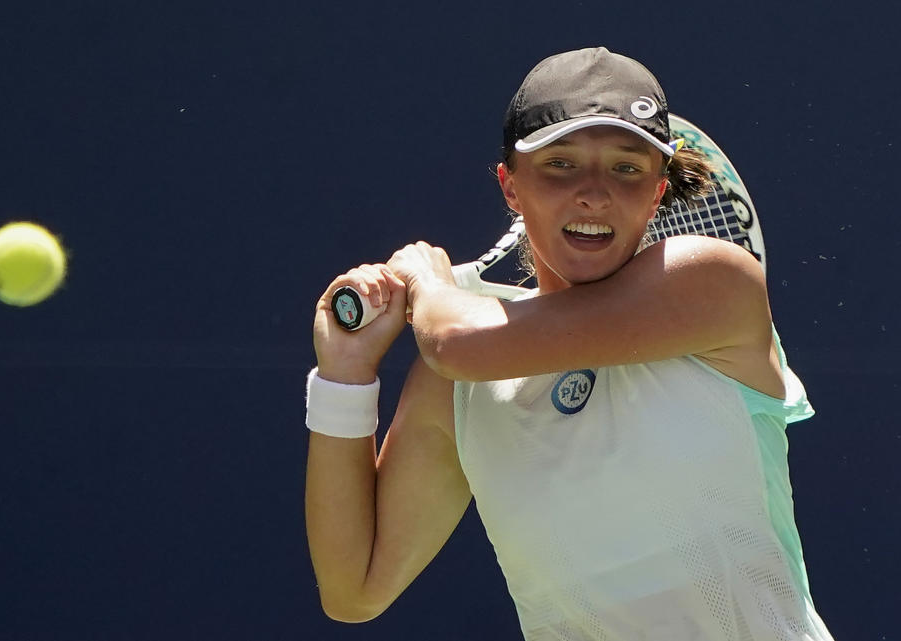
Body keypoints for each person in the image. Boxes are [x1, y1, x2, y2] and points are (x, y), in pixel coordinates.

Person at [305, 47, 835, 640]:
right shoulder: (456, 379)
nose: (595, 193)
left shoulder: (712, 279)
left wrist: (426, 280)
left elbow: (456, 341)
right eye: (561, 164)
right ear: (510, 185)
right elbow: (354, 590)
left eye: (626, 168)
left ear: (658, 193)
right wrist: (344, 376)